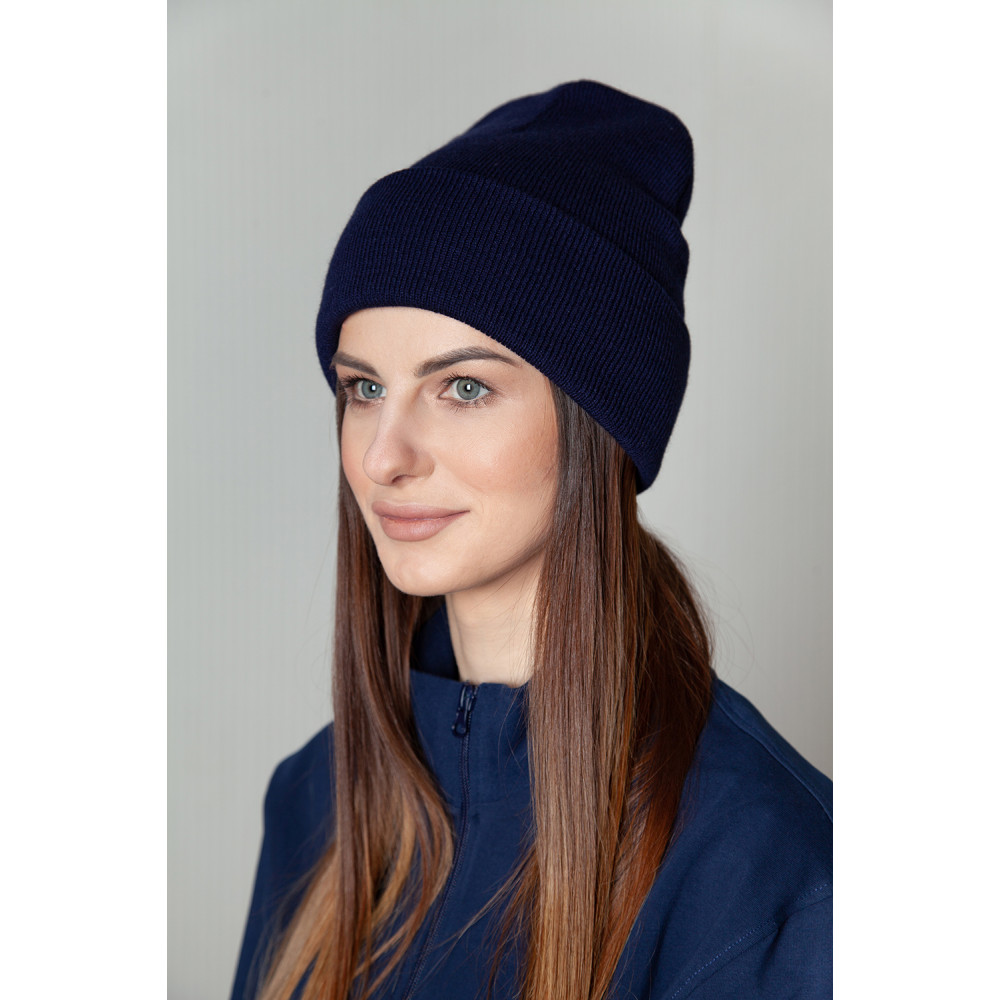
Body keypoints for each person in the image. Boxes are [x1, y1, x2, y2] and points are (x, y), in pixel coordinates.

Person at [230, 80, 832, 1000]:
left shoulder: (768, 875)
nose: (384, 456)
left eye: (463, 388)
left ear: (599, 426)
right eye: (364, 388)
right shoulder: (316, 801)